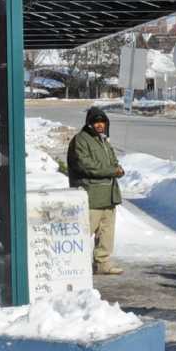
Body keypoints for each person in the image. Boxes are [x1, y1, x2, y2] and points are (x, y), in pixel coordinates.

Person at [66, 106, 127, 276]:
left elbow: (113, 162)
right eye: (96, 121)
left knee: (106, 234)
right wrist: (112, 171)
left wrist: (117, 169)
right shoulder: (81, 140)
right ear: (89, 123)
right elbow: (86, 166)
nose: (100, 125)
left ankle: (103, 263)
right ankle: (74, 264)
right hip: (91, 195)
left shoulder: (104, 141)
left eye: (102, 122)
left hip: (109, 196)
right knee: (85, 233)